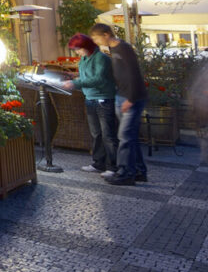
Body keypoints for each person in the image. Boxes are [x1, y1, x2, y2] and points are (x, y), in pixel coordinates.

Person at [90, 23, 148, 185]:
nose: (95, 41)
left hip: (132, 98)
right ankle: (139, 171)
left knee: (124, 136)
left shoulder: (124, 48)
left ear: (106, 34)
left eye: (96, 37)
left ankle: (125, 173)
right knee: (130, 137)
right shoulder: (113, 50)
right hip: (122, 95)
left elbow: (133, 74)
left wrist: (130, 98)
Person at [63, 33, 118, 177]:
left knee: (108, 134)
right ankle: (98, 163)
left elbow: (99, 79)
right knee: (96, 134)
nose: (77, 52)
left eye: (78, 49)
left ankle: (113, 166)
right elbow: (86, 77)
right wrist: (75, 79)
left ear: (86, 46)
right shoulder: (83, 59)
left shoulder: (102, 58)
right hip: (90, 98)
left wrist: (76, 83)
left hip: (104, 99)